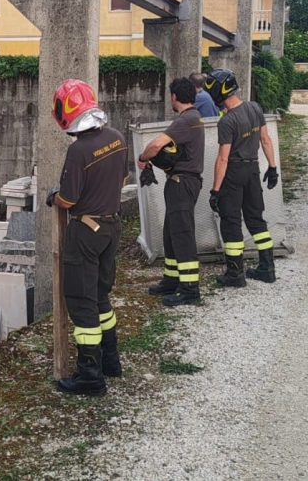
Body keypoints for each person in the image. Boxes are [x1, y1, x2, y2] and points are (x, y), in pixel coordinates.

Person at [46, 79, 128, 396]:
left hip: (85, 232)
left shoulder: (78, 150)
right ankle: (111, 360)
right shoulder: (117, 138)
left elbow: (68, 199)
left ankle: (90, 376)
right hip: (111, 226)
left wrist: (54, 197)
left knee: (82, 303)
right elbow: (122, 178)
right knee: (100, 296)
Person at [204, 68, 279, 286]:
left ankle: (235, 274)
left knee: (231, 222)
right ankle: (267, 268)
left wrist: (215, 190)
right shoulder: (255, 107)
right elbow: (266, 140)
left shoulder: (227, 121)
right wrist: (272, 167)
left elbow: (223, 159)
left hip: (234, 173)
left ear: (217, 92)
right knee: (256, 219)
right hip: (253, 170)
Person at [137, 77, 206, 306]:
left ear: (174, 97)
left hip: (182, 183)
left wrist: (143, 157)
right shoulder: (194, 118)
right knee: (171, 233)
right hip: (182, 182)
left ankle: (190, 290)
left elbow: (156, 145)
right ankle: (172, 280)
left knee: (182, 234)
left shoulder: (186, 120)